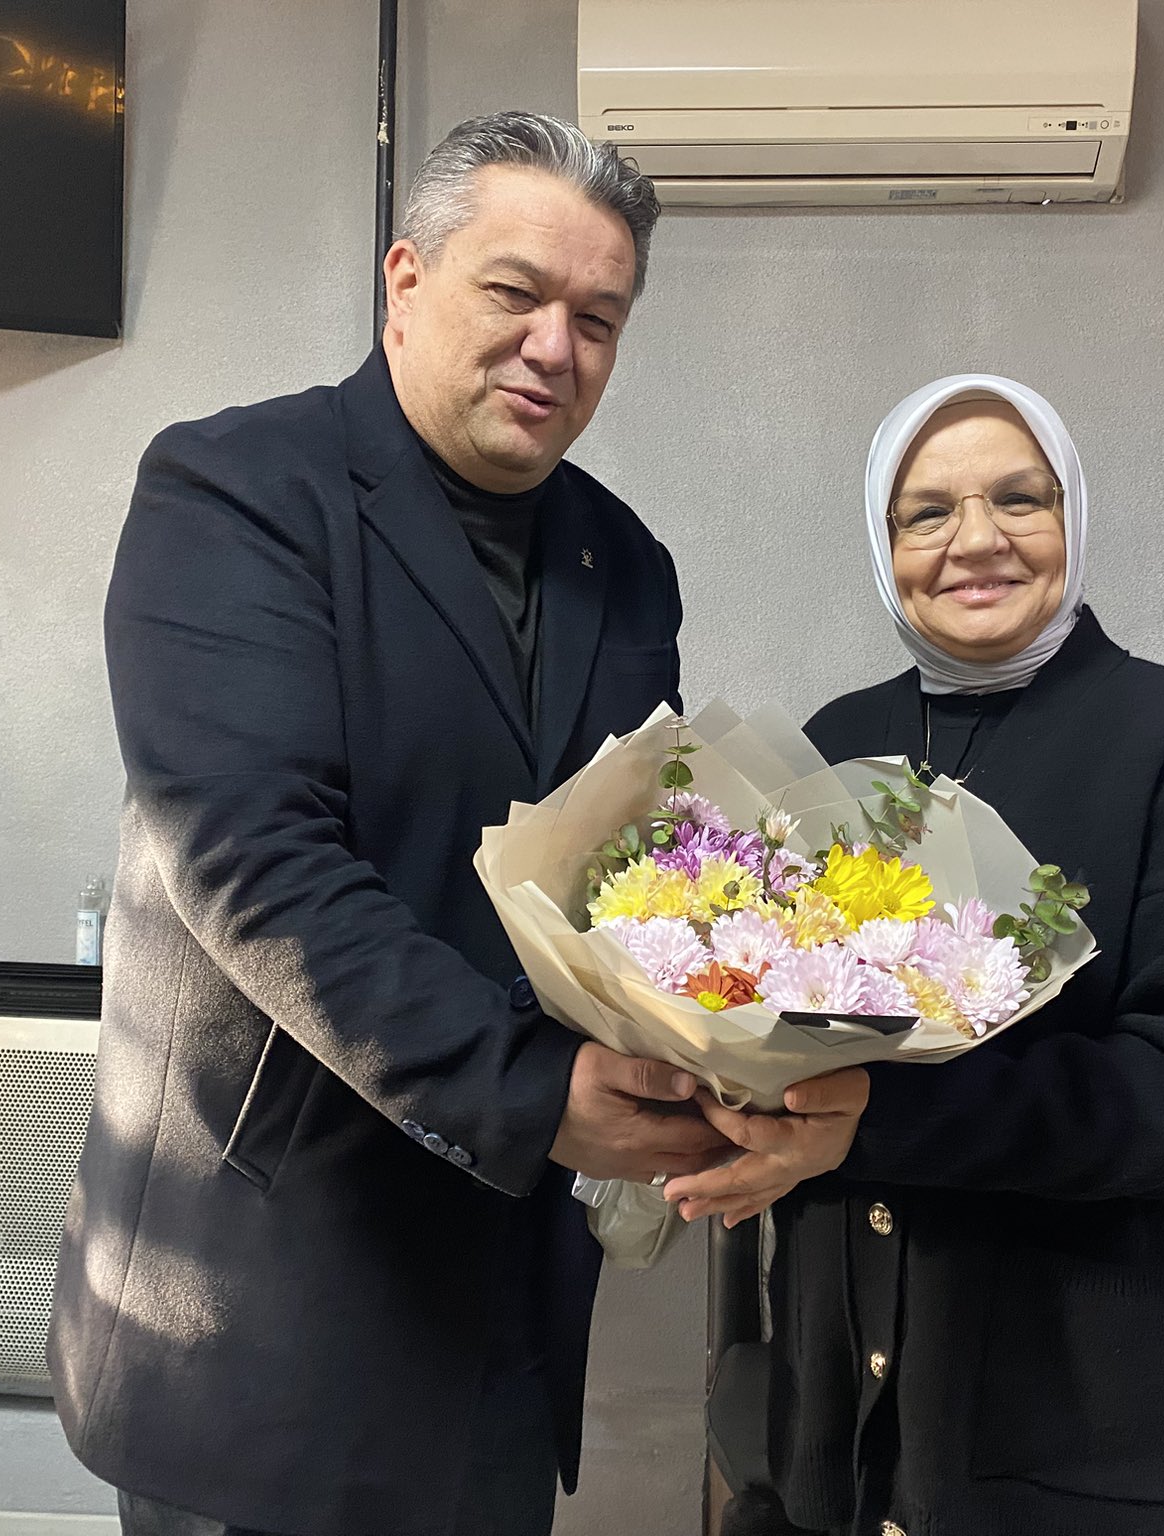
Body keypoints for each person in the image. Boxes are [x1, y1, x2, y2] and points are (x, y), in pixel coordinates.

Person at [49, 112, 733, 1536]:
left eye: (598, 320)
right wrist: (534, 1090)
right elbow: (257, 864)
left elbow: (629, 881)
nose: (554, 346)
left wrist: (734, 1049)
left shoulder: (626, 566)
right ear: (406, 281)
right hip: (264, 1295)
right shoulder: (238, 493)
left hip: (501, 1305)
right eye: (515, 292)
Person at [668, 374, 1164, 1534]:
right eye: (926, 512)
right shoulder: (838, 745)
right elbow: (772, 1014)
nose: (975, 540)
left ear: (1070, 514)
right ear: (883, 543)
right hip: (852, 1432)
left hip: (1095, 1440)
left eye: (1019, 500)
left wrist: (877, 1114)